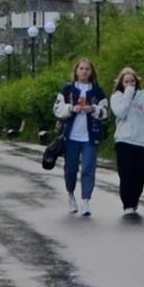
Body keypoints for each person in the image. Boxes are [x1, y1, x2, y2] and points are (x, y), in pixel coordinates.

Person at [51, 58, 111, 217]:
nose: (84, 72)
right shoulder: (67, 90)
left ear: (91, 72)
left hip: (89, 137)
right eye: (81, 69)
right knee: (70, 169)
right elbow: (57, 109)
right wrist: (72, 108)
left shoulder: (97, 91)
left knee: (88, 168)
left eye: (87, 69)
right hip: (71, 136)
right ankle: (71, 195)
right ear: (76, 71)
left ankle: (86, 200)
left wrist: (93, 109)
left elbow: (105, 112)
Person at [105, 66, 144, 217]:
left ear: (137, 82)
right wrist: (127, 94)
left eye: (132, 81)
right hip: (124, 140)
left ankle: (134, 199)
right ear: (121, 83)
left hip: (141, 142)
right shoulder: (117, 97)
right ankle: (128, 204)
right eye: (126, 81)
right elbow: (120, 113)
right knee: (126, 173)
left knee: (140, 174)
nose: (129, 84)